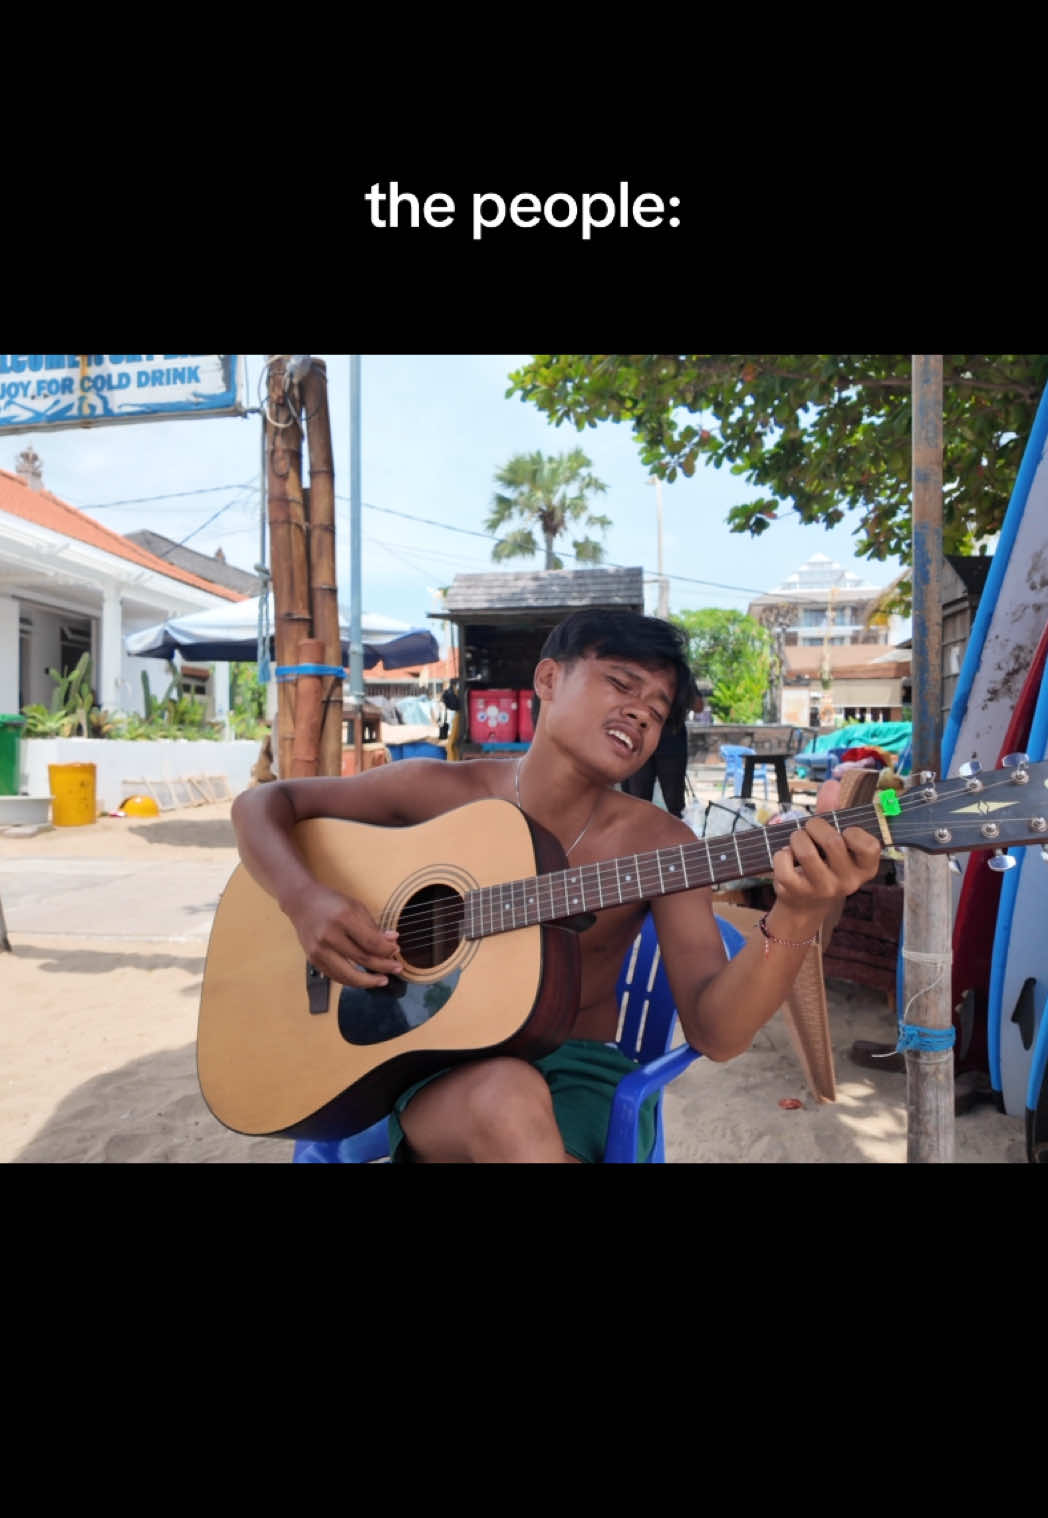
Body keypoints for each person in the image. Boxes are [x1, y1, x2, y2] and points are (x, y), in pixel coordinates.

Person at [229, 609, 882, 1163]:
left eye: (658, 712)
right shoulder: (441, 791)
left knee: (511, 1101)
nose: (640, 713)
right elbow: (263, 807)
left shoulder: (661, 847)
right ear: (548, 678)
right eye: (621, 684)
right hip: (430, 1067)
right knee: (501, 1097)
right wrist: (305, 900)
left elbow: (716, 1033)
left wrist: (797, 914)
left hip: (576, 1072)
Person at [621, 691, 705, 817]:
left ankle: (679, 834)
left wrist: (678, 693)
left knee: (675, 803)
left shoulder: (681, 674)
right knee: (636, 800)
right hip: (640, 741)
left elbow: (699, 707)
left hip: (672, 743)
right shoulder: (636, 673)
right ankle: (638, 834)